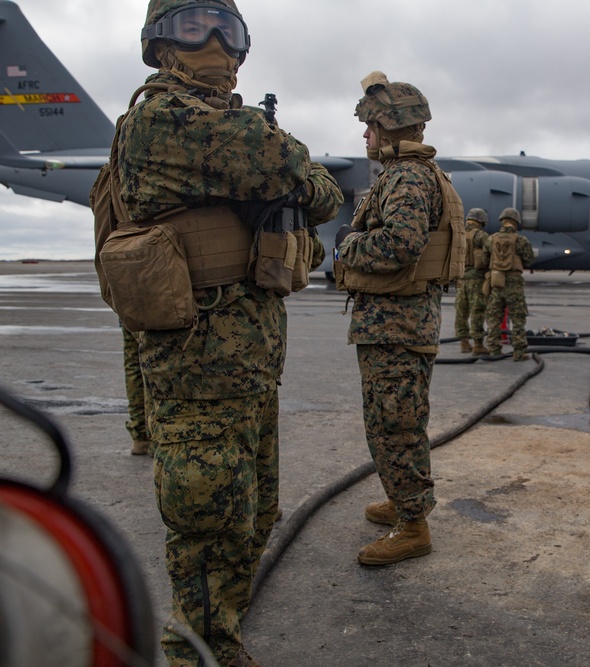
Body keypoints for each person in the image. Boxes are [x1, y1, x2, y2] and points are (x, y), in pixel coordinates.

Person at [98, 1, 343, 664]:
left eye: (225, 29)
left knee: (253, 516)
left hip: (247, 360)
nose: (211, 43)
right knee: (210, 533)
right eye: (190, 27)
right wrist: (286, 171)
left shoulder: (227, 125)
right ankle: (198, 652)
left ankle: (220, 637)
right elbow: (304, 177)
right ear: (157, 44)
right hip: (199, 363)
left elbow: (316, 190)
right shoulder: (162, 117)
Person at [335, 71, 464, 566]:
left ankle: (413, 525)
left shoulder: (407, 176)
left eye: (370, 127)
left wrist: (349, 244)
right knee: (393, 419)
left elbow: (400, 244)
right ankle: (401, 500)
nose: (364, 136)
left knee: (396, 423)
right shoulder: (407, 173)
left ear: (390, 128)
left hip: (397, 324)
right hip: (395, 323)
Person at [483, 208, 535, 361]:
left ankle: (493, 349)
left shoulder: (491, 239)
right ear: (516, 222)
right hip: (514, 284)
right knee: (518, 317)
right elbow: (529, 260)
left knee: (494, 317)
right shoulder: (521, 240)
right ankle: (518, 353)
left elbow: (485, 260)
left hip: (496, 282)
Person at [454, 208, 490, 356]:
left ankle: (464, 342)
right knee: (477, 311)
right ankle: (478, 344)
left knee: (461, 311)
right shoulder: (481, 236)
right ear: (481, 221)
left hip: (461, 279)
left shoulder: (458, 234)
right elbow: (489, 254)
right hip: (476, 279)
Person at [122, 325, 152, 456]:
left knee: (134, 364)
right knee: (154, 367)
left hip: (128, 309)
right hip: (157, 312)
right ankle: (155, 437)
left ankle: (140, 437)